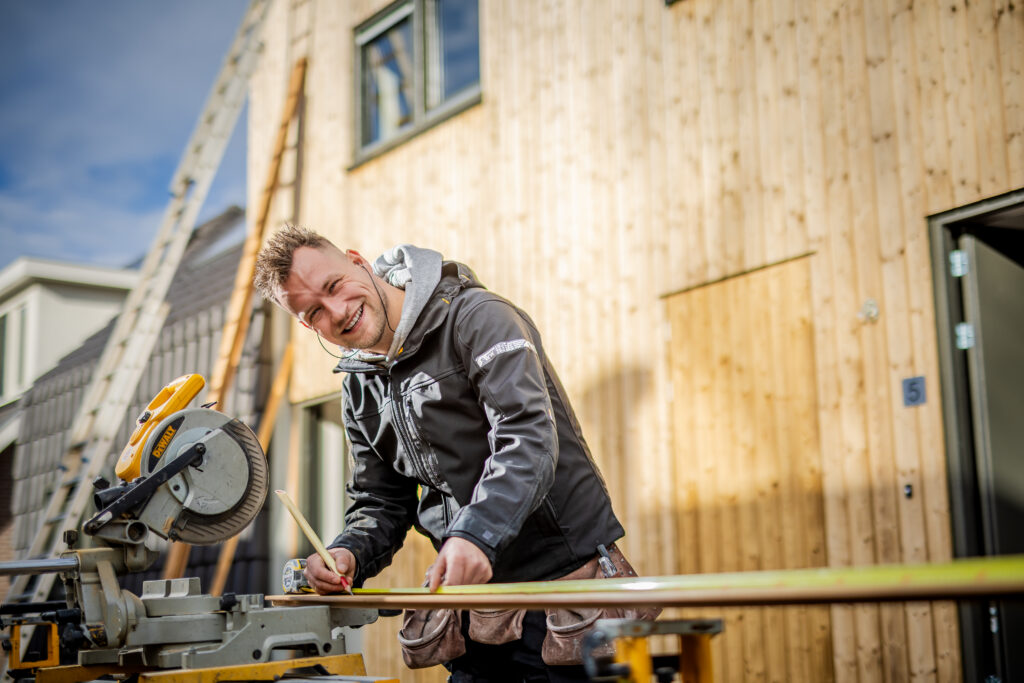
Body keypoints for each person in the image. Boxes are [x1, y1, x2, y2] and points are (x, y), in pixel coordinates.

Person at [254, 226, 648, 682]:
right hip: (472, 611)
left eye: (334, 286)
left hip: (565, 596)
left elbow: (527, 436)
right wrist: (348, 554)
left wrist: (476, 535)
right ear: (306, 325)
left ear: (358, 261)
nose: (338, 311)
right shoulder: (358, 389)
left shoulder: (478, 317)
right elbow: (380, 503)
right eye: (315, 311)